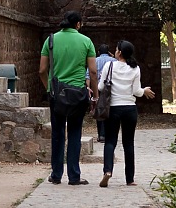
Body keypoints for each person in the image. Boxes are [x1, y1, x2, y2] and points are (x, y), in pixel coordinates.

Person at [39, 11, 98, 186]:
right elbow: (93, 72)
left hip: (57, 94)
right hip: (78, 94)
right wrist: (95, 95)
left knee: (57, 134)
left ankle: (56, 174)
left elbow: (42, 70)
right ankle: (74, 176)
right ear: (78, 24)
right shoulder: (86, 41)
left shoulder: (50, 40)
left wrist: (49, 87)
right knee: (74, 133)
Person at [98, 40, 155, 188]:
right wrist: (145, 91)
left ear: (119, 52)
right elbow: (136, 91)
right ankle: (130, 179)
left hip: (113, 108)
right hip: (130, 108)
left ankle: (108, 170)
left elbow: (100, 86)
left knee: (110, 141)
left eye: (116, 49)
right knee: (128, 143)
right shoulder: (135, 69)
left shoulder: (109, 66)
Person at [93, 44, 115, 143]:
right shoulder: (114, 61)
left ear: (98, 52)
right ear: (108, 52)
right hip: (111, 89)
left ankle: (101, 134)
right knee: (110, 110)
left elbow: (89, 75)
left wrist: (90, 89)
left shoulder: (95, 60)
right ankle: (109, 133)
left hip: (98, 88)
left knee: (100, 110)